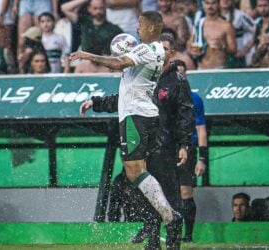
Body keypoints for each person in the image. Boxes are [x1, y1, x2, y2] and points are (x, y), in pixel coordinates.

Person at [73, 12, 188, 250]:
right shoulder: (145, 53)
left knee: (136, 174)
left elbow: (117, 63)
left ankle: (171, 218)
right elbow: (125, 91)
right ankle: (164, 227)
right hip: (141, 117)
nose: (137, 28)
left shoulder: (150, 49)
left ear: (153, 27)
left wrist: (87, 56)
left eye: (141, 24)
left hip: (138, 118)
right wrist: (96, 102)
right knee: (139, 176)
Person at [174, 59, 207, 242]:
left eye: (182, 73)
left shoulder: (195, 99)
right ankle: (161, 231)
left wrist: (202, 158)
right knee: (165, 192)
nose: (179, 77)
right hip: (169, 148)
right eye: (176, 73)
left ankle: (188, 235)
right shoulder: (166, 97)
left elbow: (201, 129)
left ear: (186, 74)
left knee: (185, 192)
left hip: (188, 148)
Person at [187, 0, 236, 69]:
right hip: (201, 68)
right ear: (203, 5)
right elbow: (189, 44)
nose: (210, 6)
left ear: (218, 5)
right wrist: (192, 50)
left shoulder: (226, 26)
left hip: (219, 67)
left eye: (213, 3)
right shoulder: (198, 24)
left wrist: (222, 46)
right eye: (207, 3)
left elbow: (234, 50)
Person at [220, 0, 256, 68]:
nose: (225, 0)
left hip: (236, 58)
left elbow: (256, 30)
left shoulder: (240, 15)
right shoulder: (213, 16)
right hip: (219, 59)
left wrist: (245, 50)